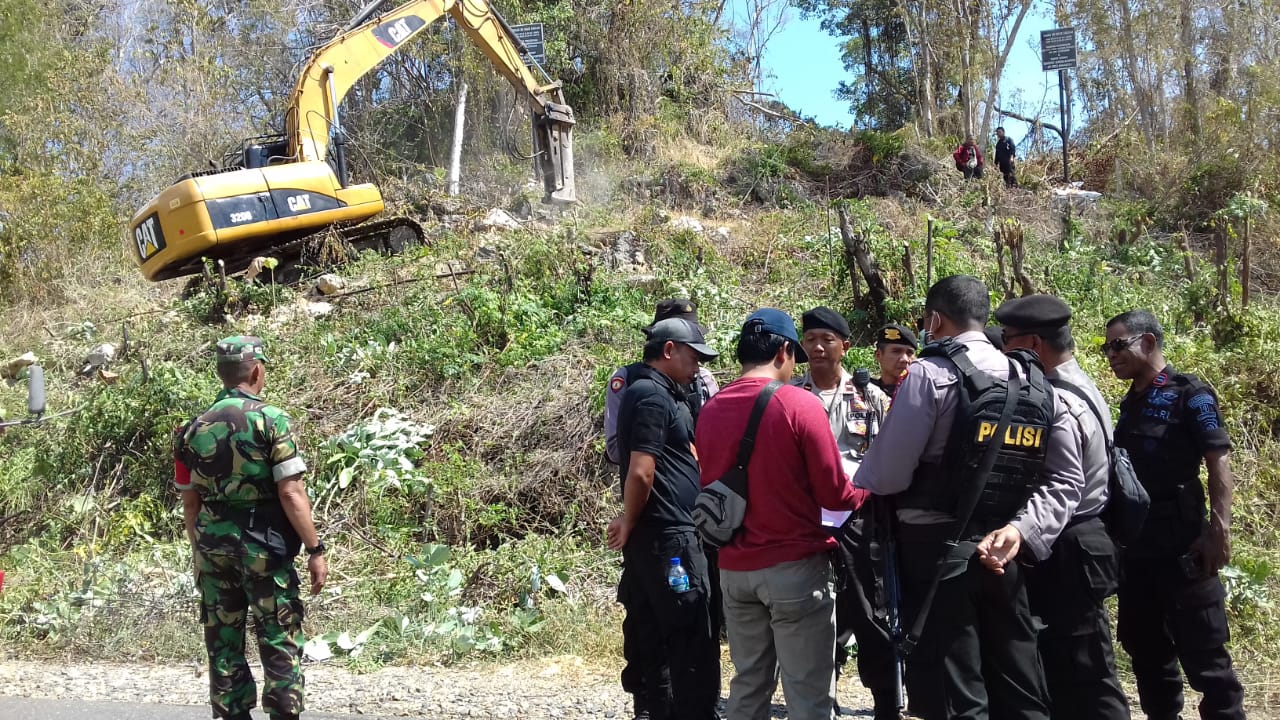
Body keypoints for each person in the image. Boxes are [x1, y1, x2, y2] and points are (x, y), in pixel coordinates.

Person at [852, 275, 1087, 720]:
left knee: (956, 693)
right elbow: (1066, 479)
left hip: (934, 556)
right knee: (1018, 686)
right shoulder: (1033, 378)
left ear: (935, 319)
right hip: (1006, 553)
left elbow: (885, 476)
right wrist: (1020, 530)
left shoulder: (929, 373)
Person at [695, 308, 866, 720]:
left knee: (748, 686)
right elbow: (836, 495)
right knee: (807, 695)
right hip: (795, 568)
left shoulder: (711, 408)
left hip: (735, 570)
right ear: (785, 352)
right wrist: (866, 488)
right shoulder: (800, 405)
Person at [174, 336, 327, 720]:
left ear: (221, 374)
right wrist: (315, 550)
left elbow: (189, 501)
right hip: (264, 549)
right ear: (257, 370)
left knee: (223, 643)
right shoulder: (271, 420)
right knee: (278, 638)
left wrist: (200, 553)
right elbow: (291, 492)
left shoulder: (190, 429)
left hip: (212, 548)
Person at [1105, 310, 1245, 720]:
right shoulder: (1131, 401)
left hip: (1183, 547)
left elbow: (1218, 460)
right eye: (1106, 347)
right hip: (1138, 550)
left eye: (1118, 345)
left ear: (1147, 343)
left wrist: (1219, 528)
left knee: (1206, 656)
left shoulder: (1191, 394)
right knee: (1147, 653)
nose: (1110, 355)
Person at [995, 295, 1129, 719]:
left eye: (1008, 339)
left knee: (1087, 672)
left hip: (1072, 542)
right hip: (1084, 538)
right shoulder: (1082, 384)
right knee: (1072, 668)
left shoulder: (1056, 398)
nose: (1002, 349)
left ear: (1032, 342)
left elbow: (1064, 483)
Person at [607, 317, 721, 720]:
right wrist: (629, 518)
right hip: (668, 538)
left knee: (654, 633)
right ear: (670, 351)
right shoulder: (652, 397)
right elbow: (641, 469)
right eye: (693, 357)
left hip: (663, 535)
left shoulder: (663, 393)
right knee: (690, 632)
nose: (698, 367)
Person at [793, 307, 896, 719]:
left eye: (827, 339)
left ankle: (886, 701)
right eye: (811, 338)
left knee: (869, 612)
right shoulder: (793, 395)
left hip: (860, 522)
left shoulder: (870, 396)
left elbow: (890, 458)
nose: (818, 347)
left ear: (845, 345)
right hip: (807, 521)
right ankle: (822, 700)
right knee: (814, 611)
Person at [605, 298, 719, 466]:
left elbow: (717, 441)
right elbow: (615, 450)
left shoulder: (703, 380)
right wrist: (680, 446)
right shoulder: (627, 379)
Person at [870, 323, 917, 398]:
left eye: (909, 353)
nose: (904, 359)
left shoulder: (921, 393)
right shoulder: (866, 392)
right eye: (896, 351)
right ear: (878, 355)